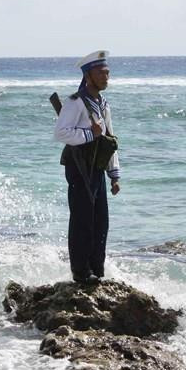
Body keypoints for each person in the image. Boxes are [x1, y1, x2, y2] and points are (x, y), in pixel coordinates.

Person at [54, 51, 121, 283]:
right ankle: (81, 272)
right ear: (88, 75)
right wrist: (88, 134)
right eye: (100, 73)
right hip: (79, 167)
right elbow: (61, 132)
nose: (105, 77)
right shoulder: (76, 102)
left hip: (96, 168)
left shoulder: (103, 103)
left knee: (100, 220)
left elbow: (109, 139)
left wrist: (114, 175)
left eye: (107, 72)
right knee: (82, 220)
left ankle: (97, 269)